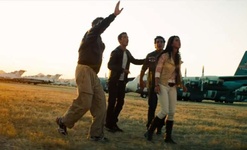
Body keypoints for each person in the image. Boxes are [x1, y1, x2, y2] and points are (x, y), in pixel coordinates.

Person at [55, 1, 123, 142]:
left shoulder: (100, 42)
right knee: (85, 102)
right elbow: (100, 27)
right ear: (95, 26)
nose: (102, 26)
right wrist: (113, 16)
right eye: (100, 24)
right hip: (84, 69)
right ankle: (63, 121)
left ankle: (96, 135)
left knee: (100, 105)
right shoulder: (90, 34)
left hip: (93, 74)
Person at [144, 36, 187, 144]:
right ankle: (149, 131)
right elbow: (158, 71)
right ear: (171, 43)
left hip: (173, 86)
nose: (179, 42)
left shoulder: (177, 57)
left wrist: (182, 84)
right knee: (164, 111)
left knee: (171, 112)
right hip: (163, 84)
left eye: (179, 40)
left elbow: (178, 73)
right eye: (176, 40)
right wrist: (156, 84)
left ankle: (168, 136)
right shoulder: (164, 56)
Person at [105, 32, 145, 132]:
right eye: (124, 37)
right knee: (112, 102)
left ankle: (113, 122)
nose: (127, 39)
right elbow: (110, 65)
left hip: (122, 82)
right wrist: (122, 70)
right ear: (119, 40)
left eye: (127, 37)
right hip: (114, 81)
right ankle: (108, 123)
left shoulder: (127, 52)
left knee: (120, 102)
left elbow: (135, 61)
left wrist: (147, 60)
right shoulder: (115, 51)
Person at [139, 36, 166, 134]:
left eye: (161, 42)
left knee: (164, 107)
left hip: (164, 85)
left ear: (164, 44)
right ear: (154, 44)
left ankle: (159, 127)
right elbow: (143, 69)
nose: (159, 43)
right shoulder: (150, 55)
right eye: (157, 42)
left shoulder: (167, 55)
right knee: (152, 106)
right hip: (152, 85)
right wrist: (141, 79)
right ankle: (149, 125)